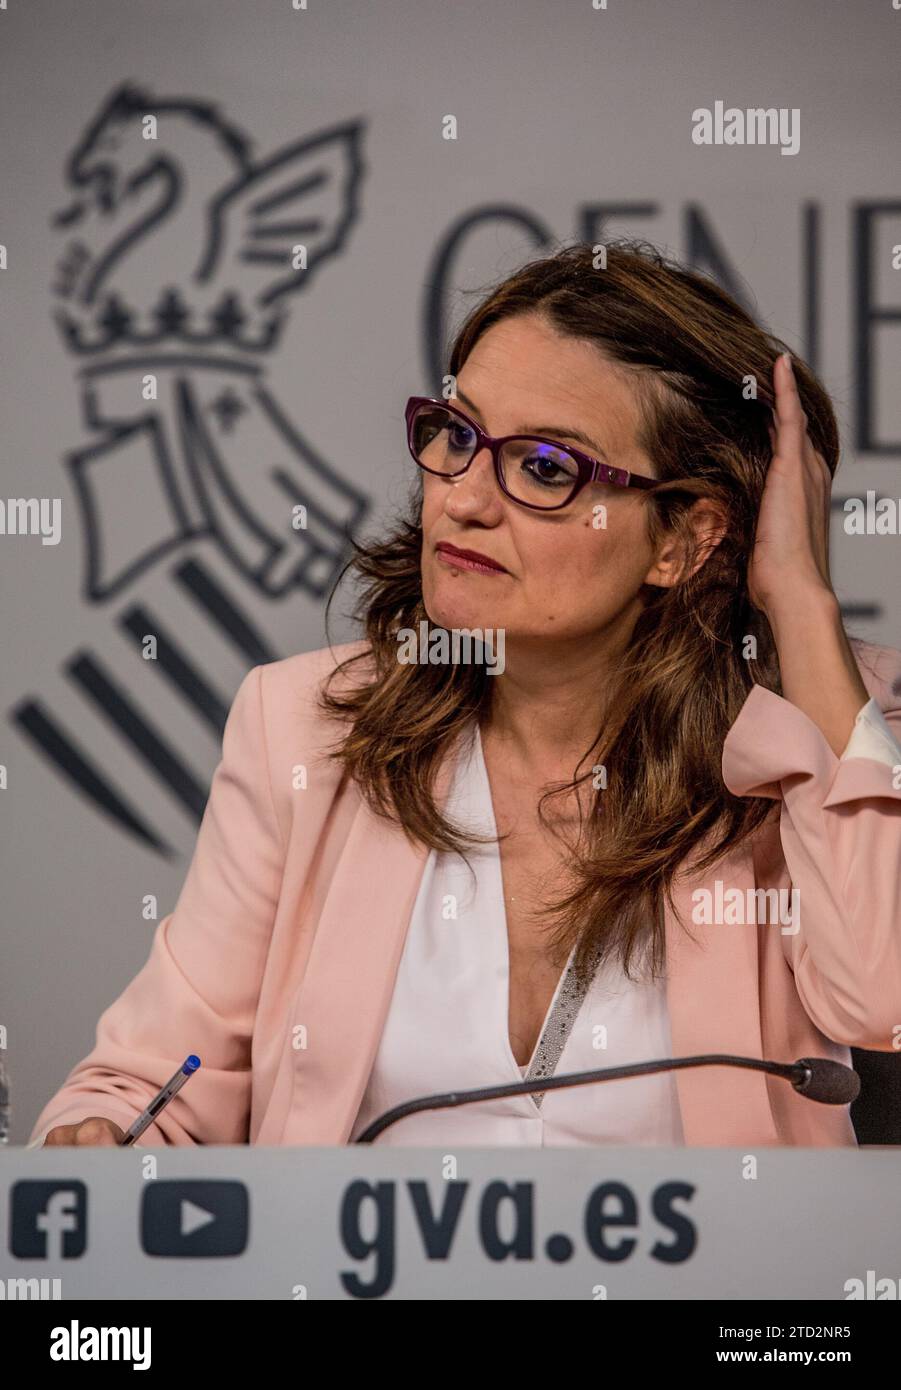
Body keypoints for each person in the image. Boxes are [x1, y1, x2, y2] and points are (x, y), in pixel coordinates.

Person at [31, 239, 901, 1149]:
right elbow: (149, 1081)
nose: (464, 499)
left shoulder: (810, 743)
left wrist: (797, 604)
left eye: (545, 468)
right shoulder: (301, 734)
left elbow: (879, 1001)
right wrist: (103, 1134)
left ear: (683, 540)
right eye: (457, 436)